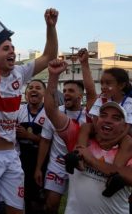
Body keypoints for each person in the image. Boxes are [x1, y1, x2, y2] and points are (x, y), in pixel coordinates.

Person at [0, 0, 58, 213]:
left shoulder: (20, 72)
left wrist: (51, 27)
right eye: (5, 48)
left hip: (11, 155)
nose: (12, 51)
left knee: (17, 210)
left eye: (13, 48)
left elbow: (49, 56)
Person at [44, 59, 132, 213]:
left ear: (122, 85)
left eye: (116, 117)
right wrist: (53, 76)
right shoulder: (101, 100)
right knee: (86, 126)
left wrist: (106, 146)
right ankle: (79, 155)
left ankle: (114, 175)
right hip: (98, 133)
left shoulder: (129, 103)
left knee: (128, 140)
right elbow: (91, 108)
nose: (104, 87)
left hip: (126, 136)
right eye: (103, 114)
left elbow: (127, 129)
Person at [34, 48, 96, 213]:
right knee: (51, 205)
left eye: (71, 91)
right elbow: (45, 141)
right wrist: (39, 168)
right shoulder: (56, 113)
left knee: (81, 207)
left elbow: (92, 95)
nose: (66, 94)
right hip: (58, 165)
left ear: (79, 96)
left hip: (82, 165)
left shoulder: (88, 115)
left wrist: (84, 64)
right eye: (65, 90)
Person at [15, 79, 51, 213]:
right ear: (26, 93)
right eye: (30, 88)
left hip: (41, 160)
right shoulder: (18, 110)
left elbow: (51, 141)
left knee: (38, 200)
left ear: (45, 93)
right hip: (20, 159)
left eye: (38, 88)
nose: (34, 90)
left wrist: (29, 136)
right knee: (20, 196)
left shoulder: (49, 113)